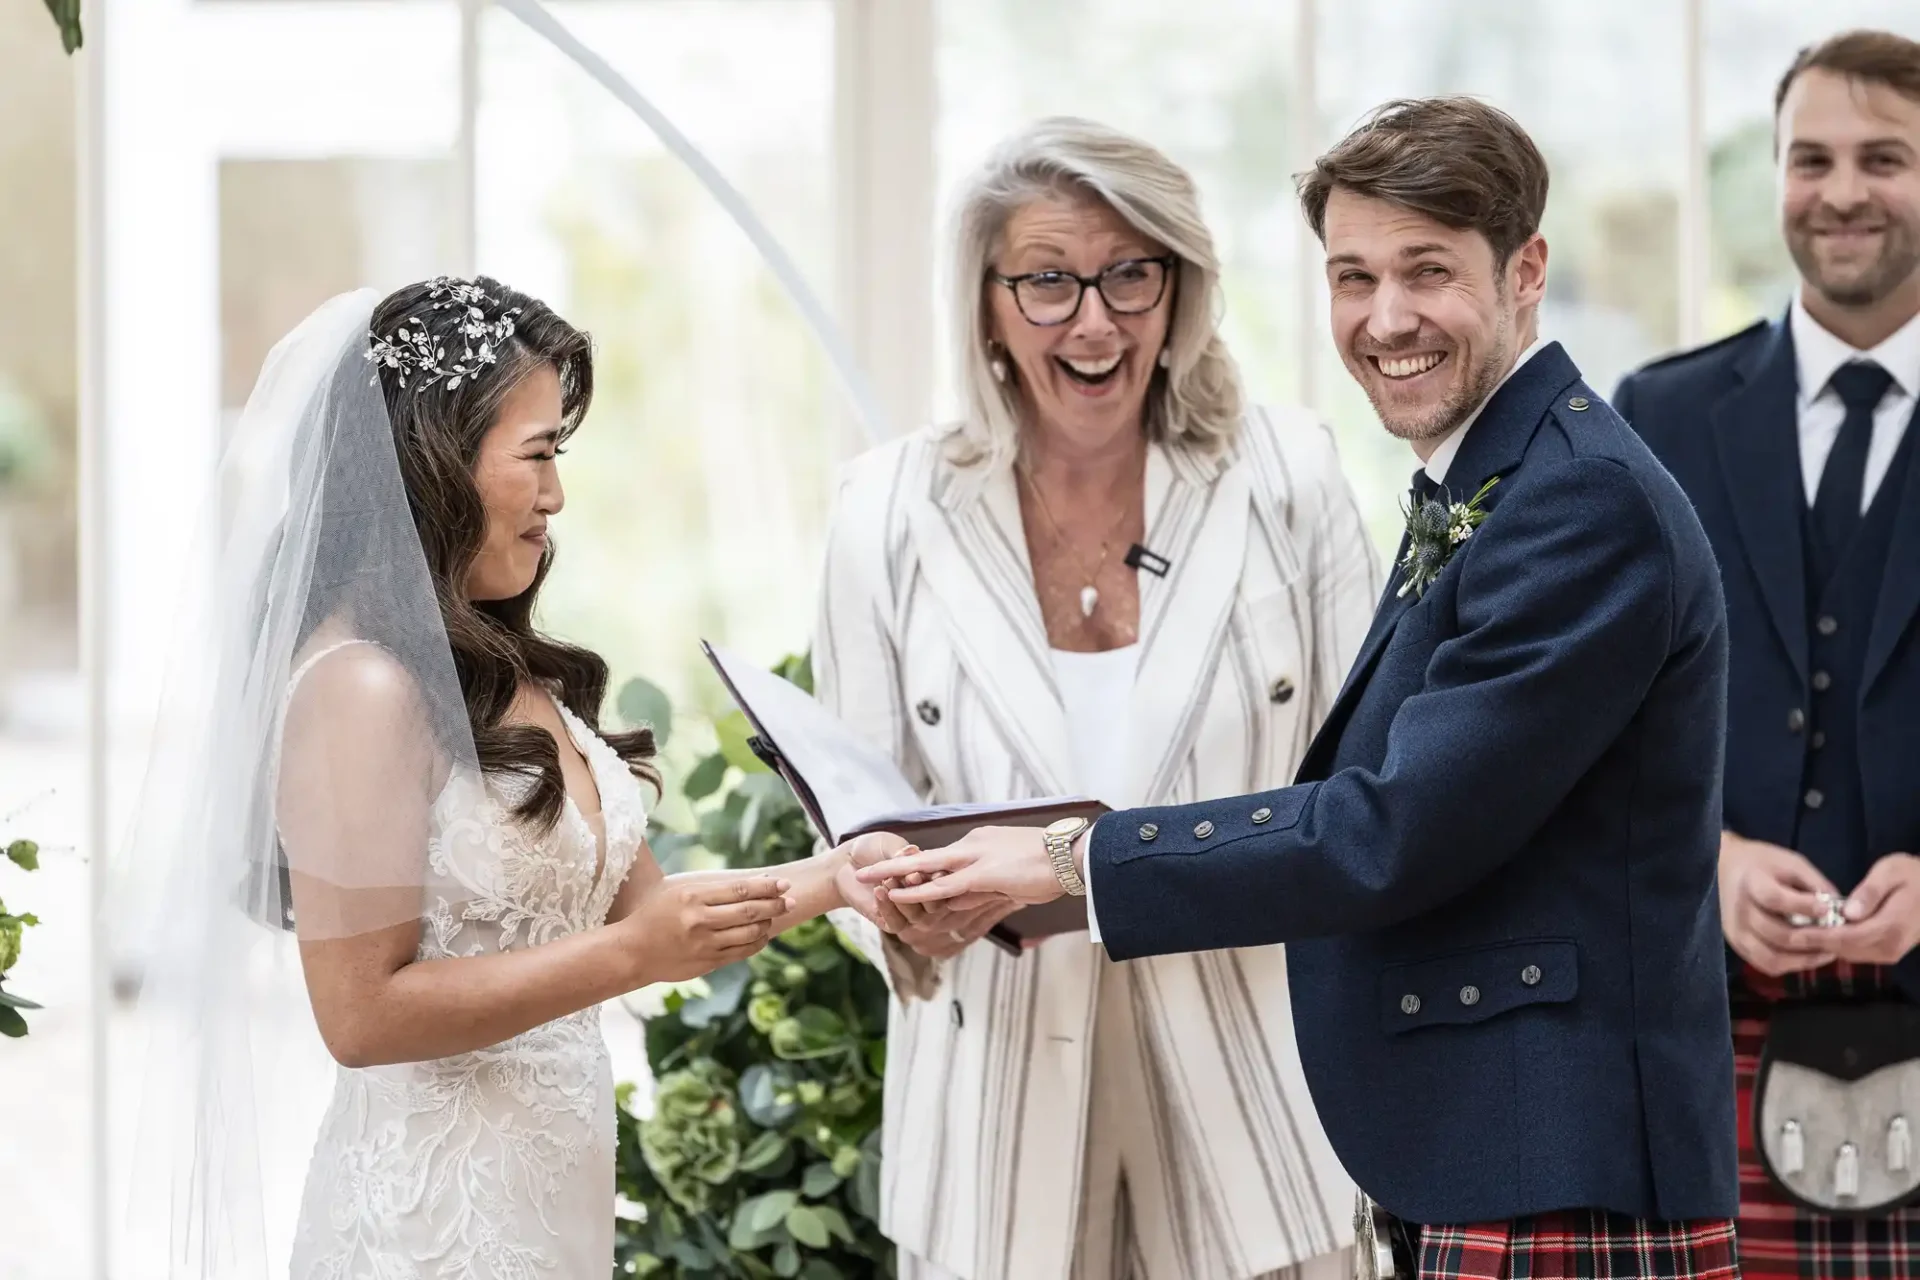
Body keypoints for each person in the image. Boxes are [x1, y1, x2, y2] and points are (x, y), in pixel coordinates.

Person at [856, 98, 1743, 1280]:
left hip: (1554, 1162)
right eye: (1352, 275)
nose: (1385, 319)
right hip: (1484, 1149)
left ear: (1527, 270)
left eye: (1428, 272)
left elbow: (1391, 826)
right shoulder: (1501, 476)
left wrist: (1078, 859)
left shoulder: (1576, 501)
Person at [119, 277, 885, 1277]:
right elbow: (360, 1014)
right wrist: (627, 958)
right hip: (427, 1233)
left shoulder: (503, 670)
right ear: (437, 460)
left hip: (550, 1215)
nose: (558, 494)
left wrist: (843, 874)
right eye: (539, 455)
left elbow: (654, 914)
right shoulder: (359, 685)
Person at [813, 117, 1376, 1280]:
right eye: (1049, 281)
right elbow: (851, 820)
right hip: (992, 1113)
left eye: (1131, 275)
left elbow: (1368, 797)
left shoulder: (1291, 475)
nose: (1095, 319)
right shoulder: (884, 510)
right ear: (984, 305)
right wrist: (889, 908)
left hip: (1264, 1104)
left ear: (1180, 290)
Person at [1613, 29, 1920, 1278]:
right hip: (1704, 1024)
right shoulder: (1658, 414)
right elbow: (1590, 735)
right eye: (1812, 158)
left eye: (1885, 157)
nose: (1842, 190)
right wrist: (1715, 858)